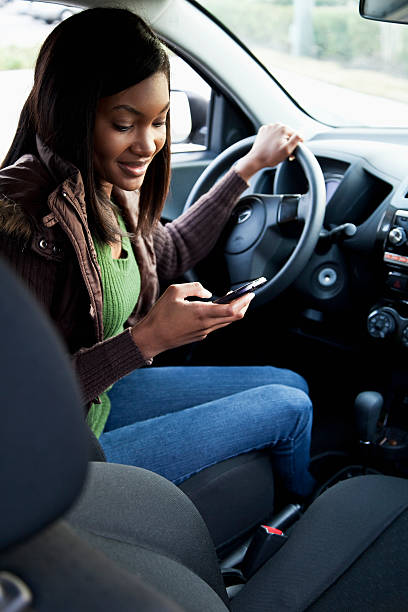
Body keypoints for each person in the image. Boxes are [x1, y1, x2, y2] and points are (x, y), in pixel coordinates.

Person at [0, 7, 315, 500]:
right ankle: (300, 525)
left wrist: (249, 167)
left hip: (99, 399)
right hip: (57, 451)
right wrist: (145, 340)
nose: (147, 144)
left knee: (290, 381)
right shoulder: (23, 224)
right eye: (124, 124)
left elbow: (171, 249)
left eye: (160, 121)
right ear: (73, 113)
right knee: (289, 407)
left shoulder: (104, 187)